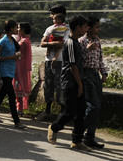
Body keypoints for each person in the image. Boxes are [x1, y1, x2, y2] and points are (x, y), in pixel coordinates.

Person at [47, 15, 91, 151]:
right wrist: (80, 85)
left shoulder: (76, 42)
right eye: (84, 26)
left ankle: (77, 141)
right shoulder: (70, 43)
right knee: (70, 111)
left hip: (78, 81)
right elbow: (73, 66)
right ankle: (54, 127)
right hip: (70, 82)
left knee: (81, 112)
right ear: (78, 27)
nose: (86, 29)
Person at [79, 16, 107, 149]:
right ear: (89, 28)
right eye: (97, 27)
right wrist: (87, 50)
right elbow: (78, 62)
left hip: (95, 74)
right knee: (92, 106)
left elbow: (100, 58)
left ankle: (90, 137)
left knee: (97, 107)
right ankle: (79, 132)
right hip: (86, 74)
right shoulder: (81, 41)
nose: (99, 29)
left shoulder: (97, 40)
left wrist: (104, 72)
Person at [0, 20, 25, 128]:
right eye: (15, 28)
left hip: (11, 69)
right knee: (11, 95)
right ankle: (16, 121)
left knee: (3, 93)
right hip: (4, 70)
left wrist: (17, 54)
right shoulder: (3, 41)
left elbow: (18, 51)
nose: (17, 30)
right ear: (10, 29)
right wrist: (11, 57)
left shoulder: (12, 40)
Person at [40, 5, 69, 119]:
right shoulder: (49, 28)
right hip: (49, 60)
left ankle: (62, 113)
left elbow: (63, 44)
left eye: (52, 14)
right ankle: (47, 111)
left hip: (61, 60)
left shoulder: (67, 28)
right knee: (48, 85)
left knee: (60, 86)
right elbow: (42, 43)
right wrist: (51, 44)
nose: (51, 16)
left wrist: (48, 44)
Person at [13, 22, 32, 115]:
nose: (17, 30)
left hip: (20, 69)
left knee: (18, 89)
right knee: (19, 89)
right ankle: (19, 108)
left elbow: (15, 52)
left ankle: (19, 109)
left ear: (23, 30)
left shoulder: (23, 42)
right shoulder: (25, 40)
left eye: (19, 28)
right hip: (21, 68)